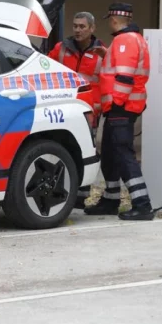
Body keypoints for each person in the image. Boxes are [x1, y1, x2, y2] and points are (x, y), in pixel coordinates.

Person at [85, 2, 154, 220]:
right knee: (110, 154)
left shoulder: (124, 40)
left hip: (120, 108)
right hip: (121, 108)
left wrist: (116, 103)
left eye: (110, 21)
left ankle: (142, 205)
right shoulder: (132, 39)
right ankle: (110, 199)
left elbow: (124, 76)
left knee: (123, 155)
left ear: (114, 20)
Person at [48, 11, 106, 209]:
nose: (78, 30)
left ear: (92, 29)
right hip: (63, 110)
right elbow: (46, 70)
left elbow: (107, 81)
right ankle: (65, 192)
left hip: (90, 112)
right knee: (65, 151)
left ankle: (82, 196)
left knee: (86, 152)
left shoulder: (102, 53)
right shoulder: (61, 48)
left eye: (82, 26)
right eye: (75, 26)